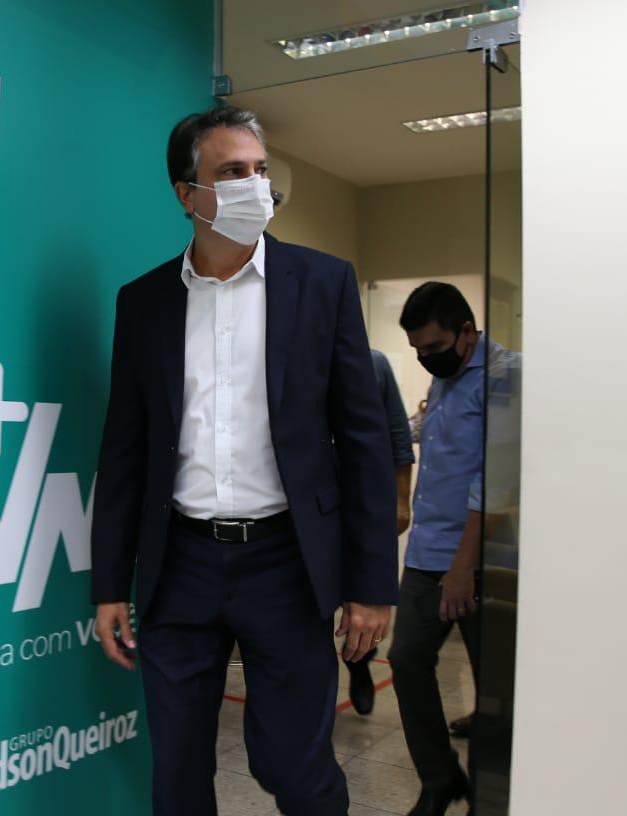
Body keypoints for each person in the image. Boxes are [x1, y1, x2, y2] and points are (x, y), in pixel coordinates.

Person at [89, 105, 398, 816]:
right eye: (232, 172)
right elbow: (125, 448)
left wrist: (372, 583)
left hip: (286, 563)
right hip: (180, 566)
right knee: (177, 772)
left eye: (260, 170)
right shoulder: (144, 303)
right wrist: (110, 583)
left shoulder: (321, 283)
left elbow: (363, 442)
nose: (255, 186)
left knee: (294, 769)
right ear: (187, 193)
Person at [388, 281, 519, 815]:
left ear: (467, 332)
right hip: (428, 550)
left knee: (497, 687)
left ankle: (495, 796)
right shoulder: (446, 376)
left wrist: (464, 567)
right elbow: (431, 437)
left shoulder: (506, 375)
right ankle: (440, 777)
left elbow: (496, 481)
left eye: (435, 348)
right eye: (418, 351)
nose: (427, 359)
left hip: (481, 558)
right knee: (405, 659)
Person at [344, 350, 415, 716]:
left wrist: (401, 499)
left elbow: (399, 437)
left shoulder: (373, 363)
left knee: (363, 594)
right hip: (308, 506)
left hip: (362, 502)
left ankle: (359, 662)